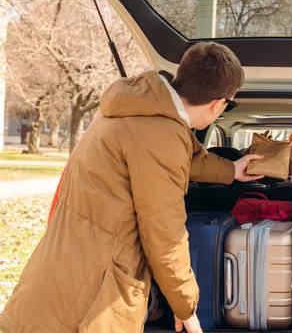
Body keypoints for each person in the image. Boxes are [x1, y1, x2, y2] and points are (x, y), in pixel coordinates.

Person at [0, 42, 263, 333]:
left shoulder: (134, 112)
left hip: (56, 274)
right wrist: (185, 306)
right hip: (91, 295)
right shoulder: (162, 135)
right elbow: (166, 235)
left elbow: (180, 158)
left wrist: (231, 170)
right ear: (218, 103)